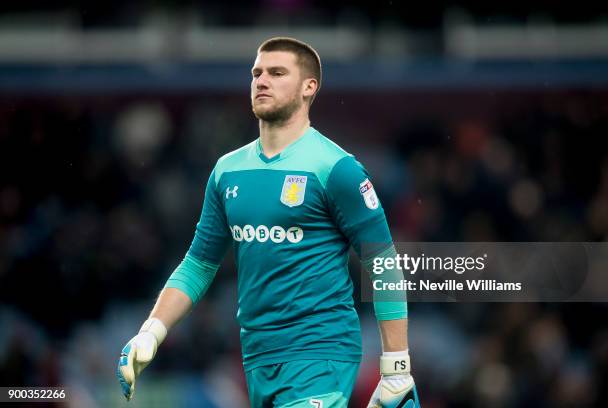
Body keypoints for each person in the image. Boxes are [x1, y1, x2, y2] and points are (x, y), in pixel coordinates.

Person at [116, 36, 419, 408]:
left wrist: (396, 366)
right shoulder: (228, 171)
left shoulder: (335, 168)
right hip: (256, 357)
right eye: (256, 73)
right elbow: (198, 265)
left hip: (320, 352)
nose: (262, 81)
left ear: (309, 87)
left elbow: (383, 263)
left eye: (277, 73)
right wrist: (151, 332)